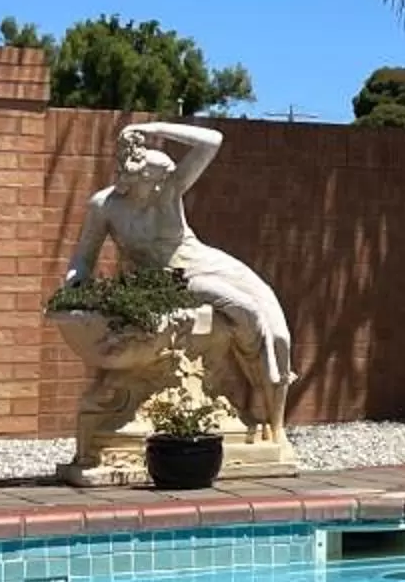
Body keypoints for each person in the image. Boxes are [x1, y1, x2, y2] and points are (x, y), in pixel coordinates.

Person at [62, 121, 295, 422]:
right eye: (155, 180)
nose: (165, 184)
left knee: (279, 334)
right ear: (135, 177)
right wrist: (74, 285)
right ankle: (268, 408)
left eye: (166, 179)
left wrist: (154, 127)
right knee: (246, 309)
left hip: (206, 263)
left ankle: (276, 428)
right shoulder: (104, 206)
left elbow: (212, 140)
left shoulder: (169, 191)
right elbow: (83, 258)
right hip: (169, 280)